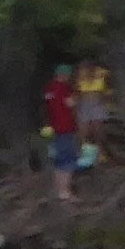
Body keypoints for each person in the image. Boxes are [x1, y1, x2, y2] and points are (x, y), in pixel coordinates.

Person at [43, 65, 80, 200]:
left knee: (58, 160)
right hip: (66, 128)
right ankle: (66, 192)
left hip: (52, 130)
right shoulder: (65, 89)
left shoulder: (49, 89)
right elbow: (71, 104)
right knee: (68, 160)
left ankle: (60, 190)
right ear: (65, 75)